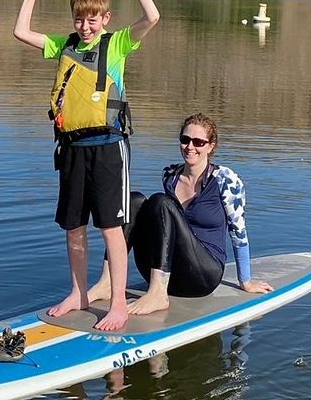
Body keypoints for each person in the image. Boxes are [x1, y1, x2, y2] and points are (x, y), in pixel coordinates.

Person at [14, 0, 160, 332]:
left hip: (109, 147)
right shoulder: (64, 45)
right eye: (80, 20)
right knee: (73, 226)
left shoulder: (119, 44)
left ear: (106, 18)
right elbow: (20, 32)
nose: (85, 26)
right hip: (72, 149)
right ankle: (79, 293)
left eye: (92, 20)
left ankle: (117, 304)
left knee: (111, 227)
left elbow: (153, 17)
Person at [90, 112, 274, 315]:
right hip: (170, 273)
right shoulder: (170, 175)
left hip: (202, 275)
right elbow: (165, 229)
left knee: (161, 202)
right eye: (185, 140)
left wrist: (245, 281)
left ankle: (157, 295)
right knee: (135, 201)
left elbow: (238, 232)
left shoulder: (225, 180)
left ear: (211, 146)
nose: (190, 147)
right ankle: (108, 282)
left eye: (198, 142)